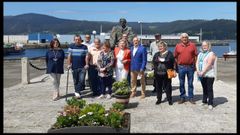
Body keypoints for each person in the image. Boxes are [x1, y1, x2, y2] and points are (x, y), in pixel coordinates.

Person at [174, 33, 198, 104]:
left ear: (188, 38)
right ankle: (182, 97)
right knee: (181, 83)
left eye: (186, 37)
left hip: (190, 67)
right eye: (183, 37)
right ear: (181, 39)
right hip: (181, 67)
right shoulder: (177, 46)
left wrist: (195, 65)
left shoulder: (192, 45)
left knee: (190, 83)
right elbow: (175, 56)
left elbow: (196, 56)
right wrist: (177, 65)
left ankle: (191, 97)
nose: (184, 38)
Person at [152, 41, 175, 105]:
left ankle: (169, 99)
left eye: (161, 46)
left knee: (168, 87)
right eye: (159, 46)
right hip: (158, 73)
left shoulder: (169, 53)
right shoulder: (156, 54)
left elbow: (173, 62)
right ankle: (159, 99)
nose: (160, 48)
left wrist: (174, 71)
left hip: (167, 73)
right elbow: (154, 62)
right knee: (158, 87)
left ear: (165, 47)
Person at [196, 41, 216, 110]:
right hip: (201, 74)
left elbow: (209, 64)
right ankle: (204, 101)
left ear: (209, 46)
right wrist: (198, 71)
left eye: (206, 45)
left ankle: (210, 103)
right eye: (203, 45)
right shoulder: (200, 54)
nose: (204, 47)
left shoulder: (211, 54)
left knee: (209, 89)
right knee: (204, 88)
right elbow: (197, 62)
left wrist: (203, 72)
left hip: (209, 74)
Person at [67, 34, 89, 99]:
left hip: (83, 67)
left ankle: (77, 91)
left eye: (78, 39)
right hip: (74, 66)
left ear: (81, 40)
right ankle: (78, 92)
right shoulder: (71, 46)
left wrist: (87, 64)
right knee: (75, 80)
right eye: (76, 39)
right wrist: (69, 64)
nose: (77, 41)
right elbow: (69, 56)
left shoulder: (84, 47)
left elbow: (86, 56)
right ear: (74, 40)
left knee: (82, 80)